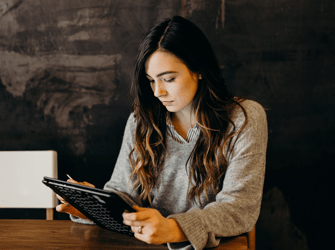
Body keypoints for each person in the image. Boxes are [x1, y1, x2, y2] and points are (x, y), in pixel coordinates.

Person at [56, 16, 268, 250]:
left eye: (168, 79)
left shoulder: (245, 118)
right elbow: (125, 197)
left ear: (198, 69)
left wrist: (174, 228)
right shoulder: (140, 121)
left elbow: (240, 208)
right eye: (150, 81)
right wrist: (92, 207)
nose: (158, 92)